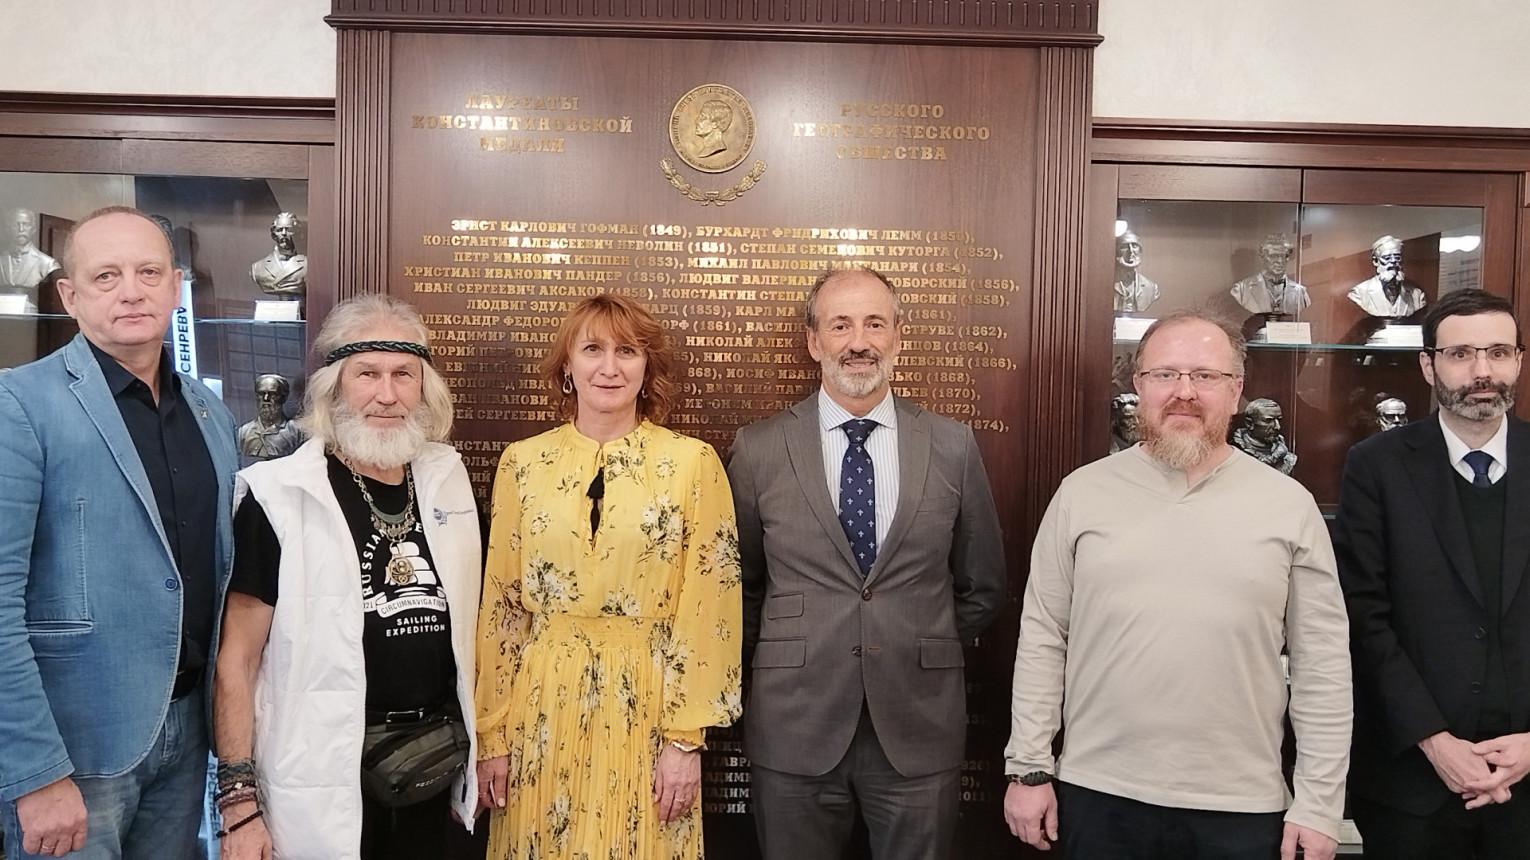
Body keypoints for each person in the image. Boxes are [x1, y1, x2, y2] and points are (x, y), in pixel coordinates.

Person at [1004, 310, 1351, 860]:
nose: (1183, 393)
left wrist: (1320, 805)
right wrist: (1028, 766)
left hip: (1242, 807)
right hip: (1098, 794)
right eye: (1165, 375)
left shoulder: (1289, 504)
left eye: (1205, 376)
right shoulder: (1081, 493)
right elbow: (1044, 636)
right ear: (1138, 387)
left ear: (1236, 391)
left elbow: (1323, 667)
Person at [728, 266, 1006, 860]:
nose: (859, 341)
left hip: (918, 725)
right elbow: (740, 589)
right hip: (795, 724)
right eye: (841, 325)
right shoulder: (758, 448)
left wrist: (914, 634)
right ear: (814, 342)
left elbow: (983, 585)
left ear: (898, 338)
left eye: (875, 323)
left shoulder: (952, 445)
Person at [0, 206, 238, 859]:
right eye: (106, 276)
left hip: (188, 735)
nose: (131, 290)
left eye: (148, 271)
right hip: (75, 751)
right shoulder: (18, 404)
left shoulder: (210, 413)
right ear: (70, 297)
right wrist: (35, 774)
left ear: (176, 286)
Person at [213, 294, 481, 860]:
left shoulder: (447, 479)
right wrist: (238, 802)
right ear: (334, 386)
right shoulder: (278, 495)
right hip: (317, 776)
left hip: (428, 764)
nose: (387, 394)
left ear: (424, 386)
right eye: (368, 374)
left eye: (403, 374)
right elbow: (236, 659)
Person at [474, 293, 741, 860]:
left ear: (648, 369)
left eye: (627, 351)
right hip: (541, 706)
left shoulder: (693, 464)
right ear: (567, 365)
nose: (610, 367)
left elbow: (709, 610)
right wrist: (492, 735)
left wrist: (685, 740)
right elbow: (502, 608)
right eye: (592, 349)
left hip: (648, 705)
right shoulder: (522, 464)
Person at [1334, 288, 1530, 858]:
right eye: (1461, 354)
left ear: (1519, 359)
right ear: (1428, 365)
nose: (1482, 371)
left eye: (1498, 352)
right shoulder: (1375, 466)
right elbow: (1362, 614)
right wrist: (1435, 741)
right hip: (1413, 784)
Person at [1230, 233, 1310, 316]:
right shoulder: (1241, 290)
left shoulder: (1301, 292)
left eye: (1284, 256)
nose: (1280, 261)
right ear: (1262, 257)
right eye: (1274, 256)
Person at [1348, 235, 1426, 318]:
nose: (1393, 261)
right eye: (1387, 258)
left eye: (1397, 257)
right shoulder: (1359, 293)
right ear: (1375, 261)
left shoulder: (1417, 295)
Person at [236, 373, 304, 460]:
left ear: (283, 398)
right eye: (261, 393)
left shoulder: (295, 431)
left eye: (272, 394)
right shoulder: (244, 432)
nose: (266, 398)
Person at [1, 207, 62, 294]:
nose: (21, 230)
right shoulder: (1, 259)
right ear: (8, 229)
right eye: (15, 225)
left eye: (26, 225)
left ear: (33, 229)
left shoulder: (48, 264)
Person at [1231, 397, 1298, 474]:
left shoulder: (1288, 459)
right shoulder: (1233, 452)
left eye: (1278, 420)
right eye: (1268, 421)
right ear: (1250, 423)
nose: (1277, 427)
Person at [249, 212, 307, 297]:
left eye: (288, 230)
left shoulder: (307, 264)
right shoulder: (257, 267)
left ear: (297, 233)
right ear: (274, 235)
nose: (284, 233)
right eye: (279, 230)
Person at [1112, 231, 1159, 314]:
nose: (1131, 251)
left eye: (1134, 246)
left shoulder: (1151, 288)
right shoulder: (1105, 285)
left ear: (1140, 250)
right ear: (1116, 251)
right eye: (1124, 246)